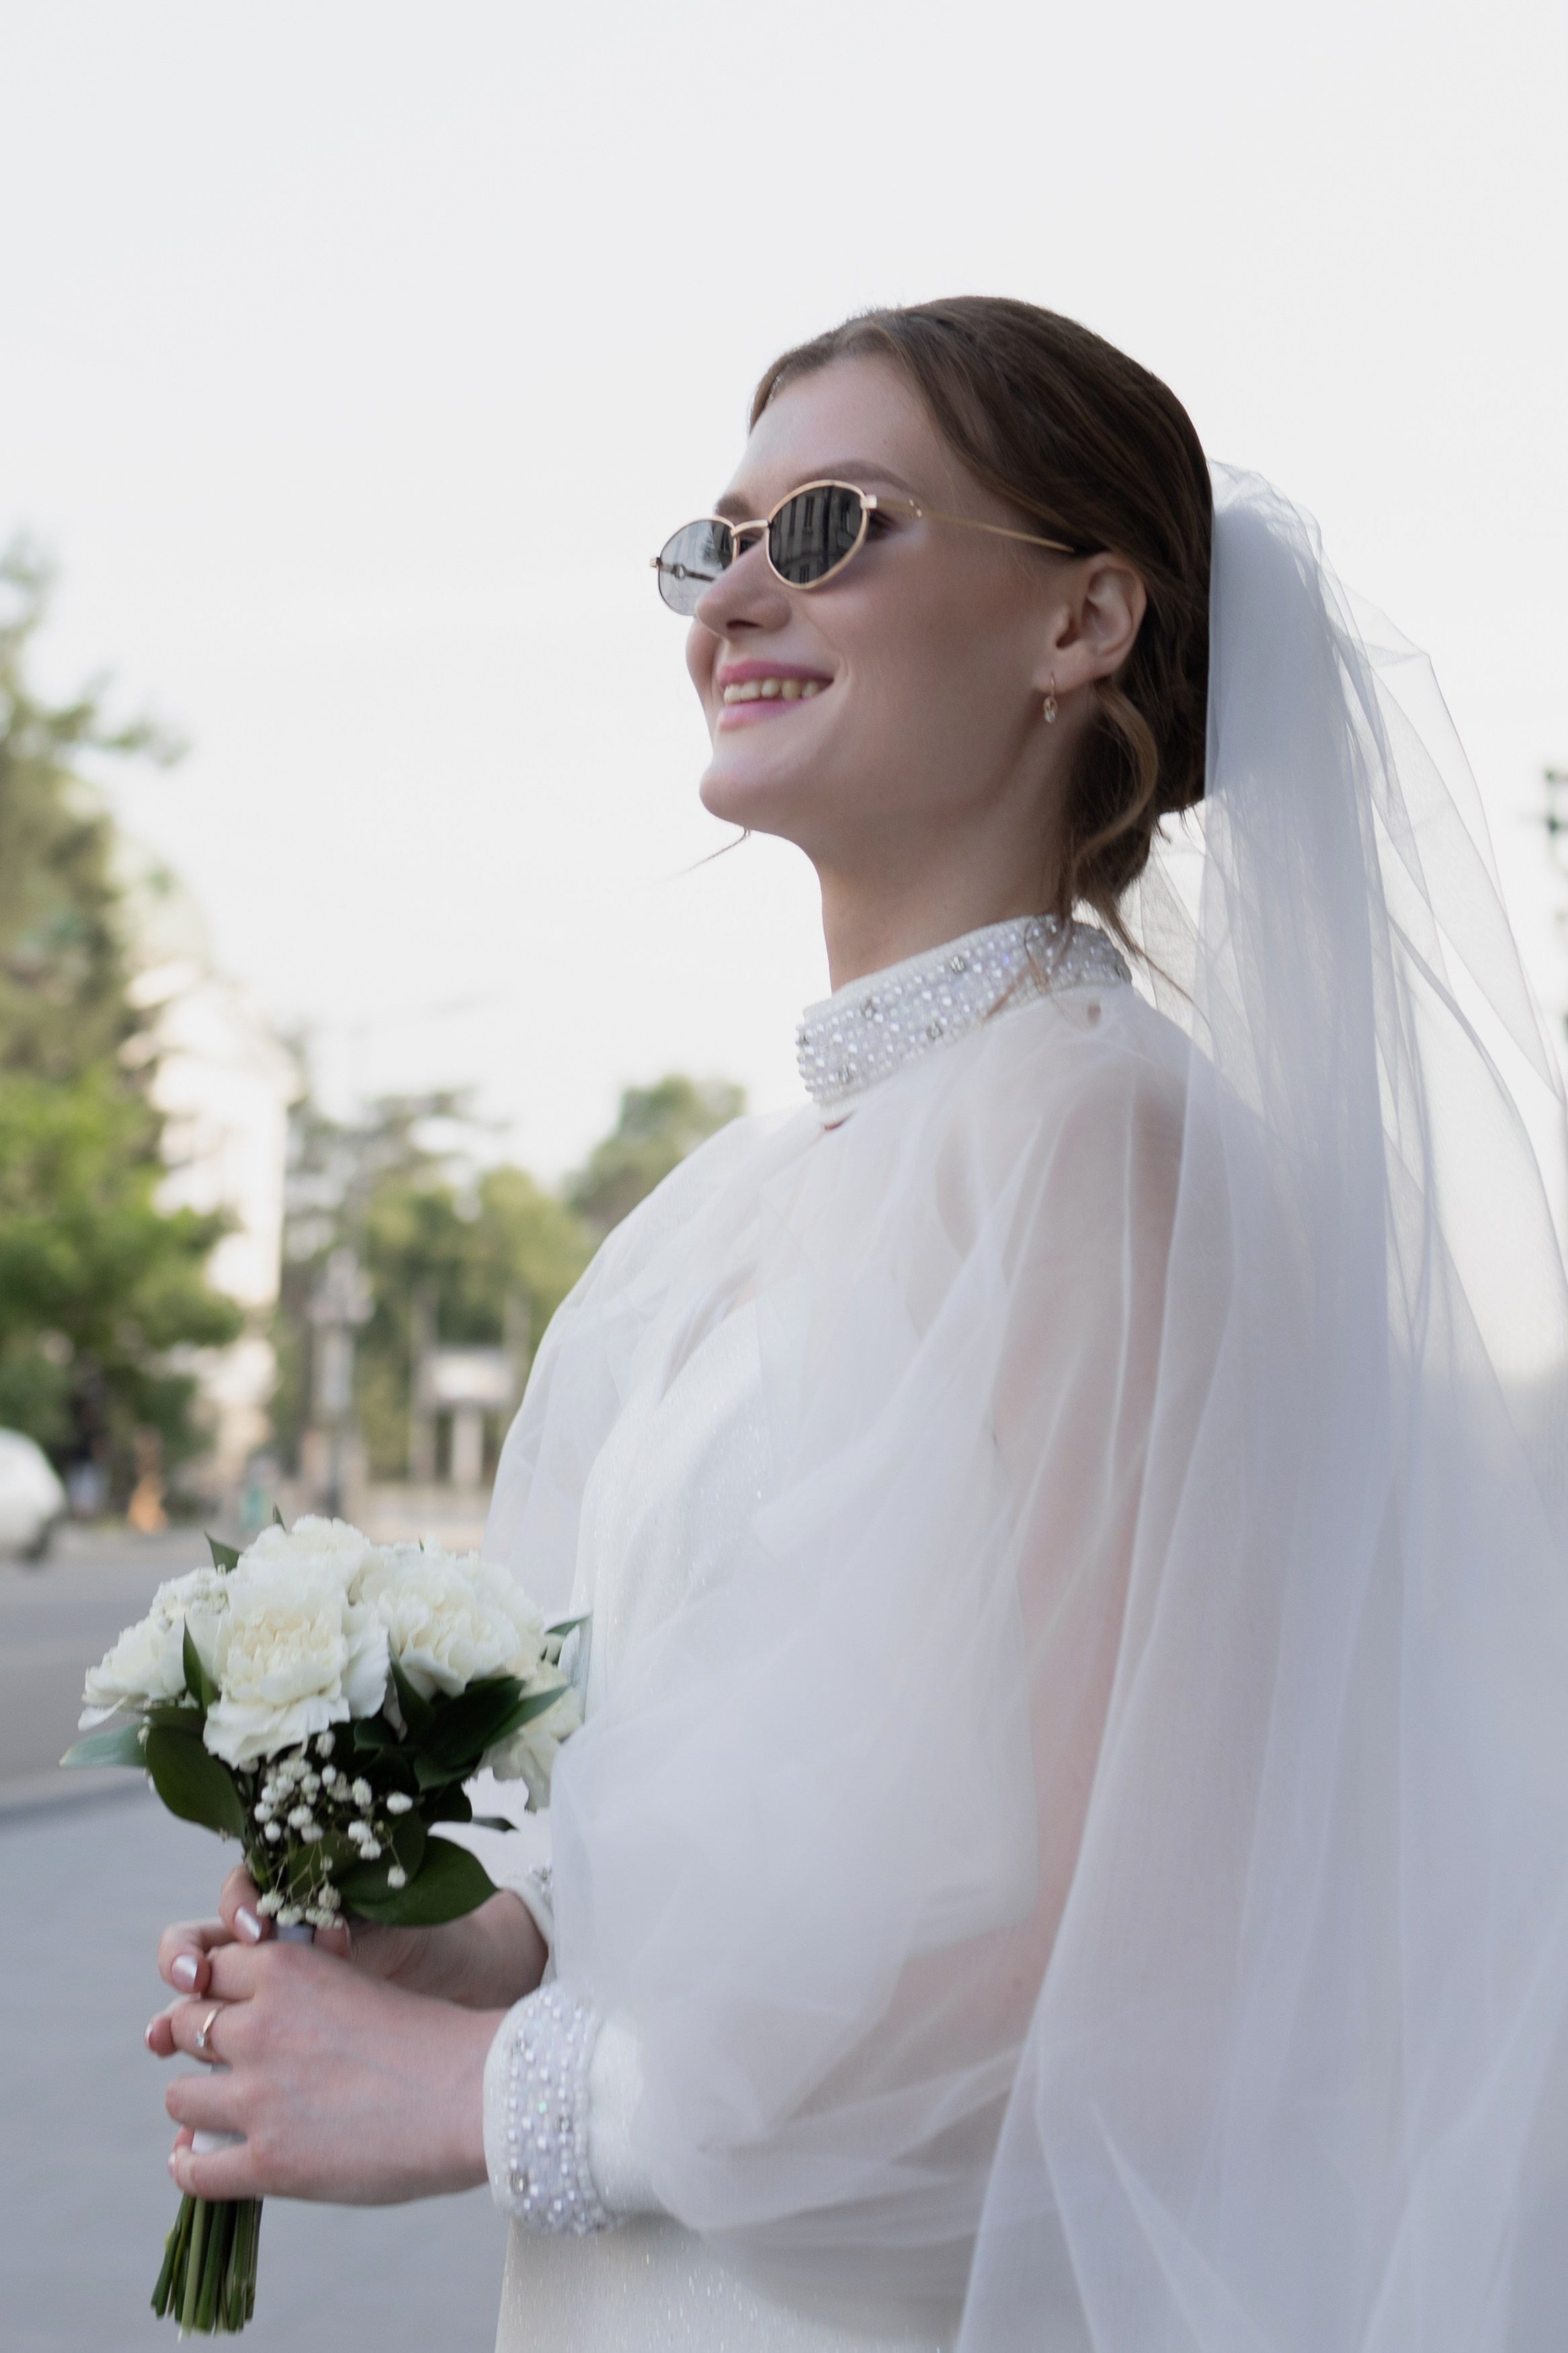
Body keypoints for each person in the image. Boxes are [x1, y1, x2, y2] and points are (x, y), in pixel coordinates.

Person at [149, 299, 1568, 2351]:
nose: (735, 591)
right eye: (710, 543)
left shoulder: (1094, 1138)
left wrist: (491, 2093)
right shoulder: (748, 1190)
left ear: (1085, 617)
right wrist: (489, 1951)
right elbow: (791, 1830)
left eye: (830, 524)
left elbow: (1127, 1957)